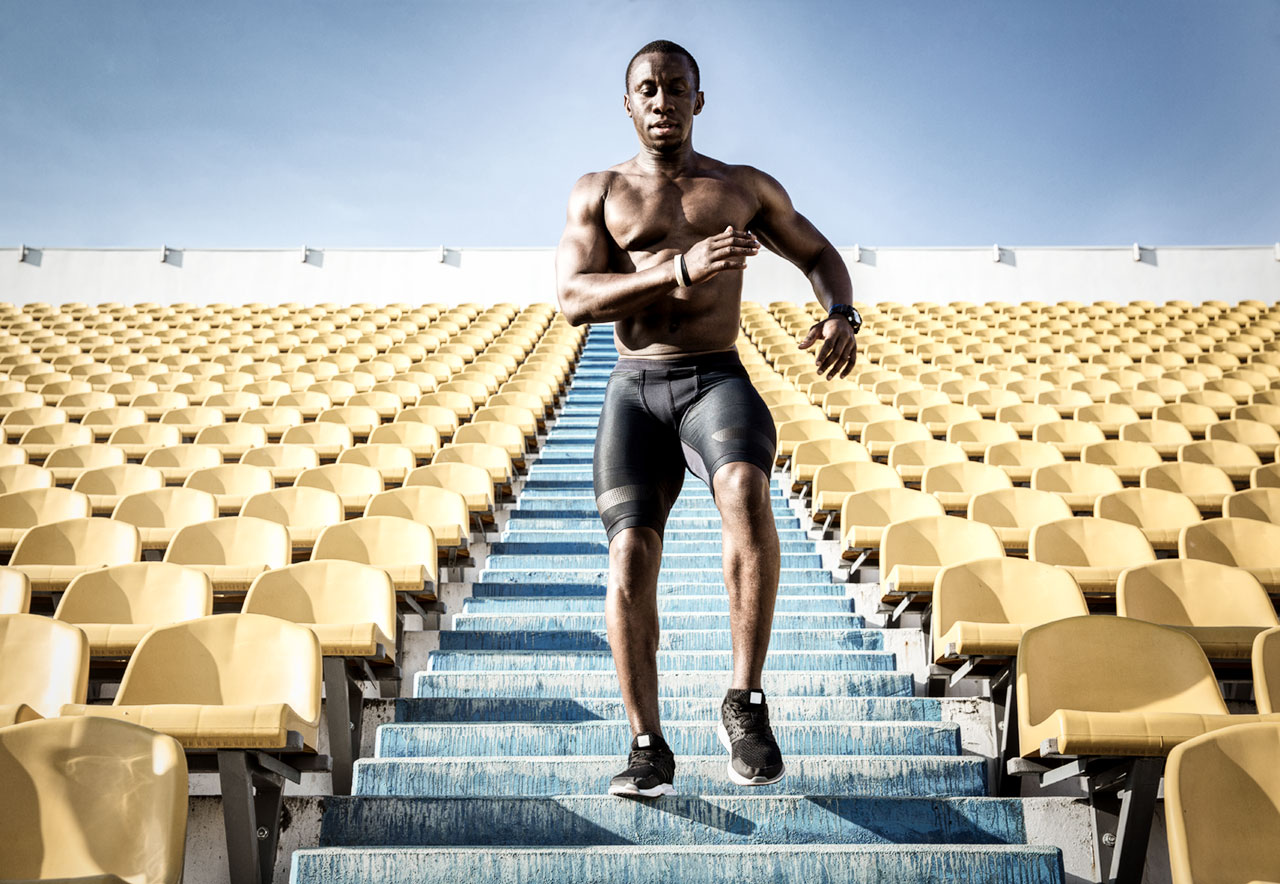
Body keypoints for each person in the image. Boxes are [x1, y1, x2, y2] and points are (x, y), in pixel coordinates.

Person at [555, 39, 860, 798]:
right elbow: (573, 300)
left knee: (748, 492)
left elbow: (818, 253)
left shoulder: (742, 187)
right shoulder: (598, 192)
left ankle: (744, 701)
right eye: (647, 89)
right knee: (629, 555)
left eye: (676, 88)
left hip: (715, 377)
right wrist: (678, 268)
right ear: (629, 104)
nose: (662, 102)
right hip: (636, 385)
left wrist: (842, 313)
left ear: (699, 98)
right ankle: (647, 745)